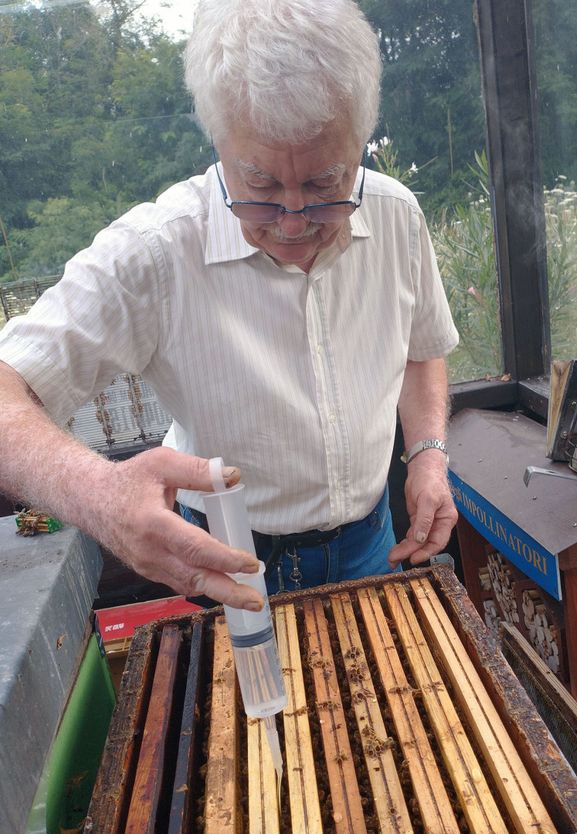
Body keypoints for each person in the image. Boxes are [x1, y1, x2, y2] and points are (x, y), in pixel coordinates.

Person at [0, 0, 459, 610]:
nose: (294, 223)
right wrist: (102, 496)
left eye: (326, 183)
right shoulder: (158, 248)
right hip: (226, 558)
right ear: (217, 143)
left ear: (361, 139)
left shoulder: (398, 215)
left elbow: (421, 350)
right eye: (261, 186)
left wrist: (427, 455)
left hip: (369, 540)